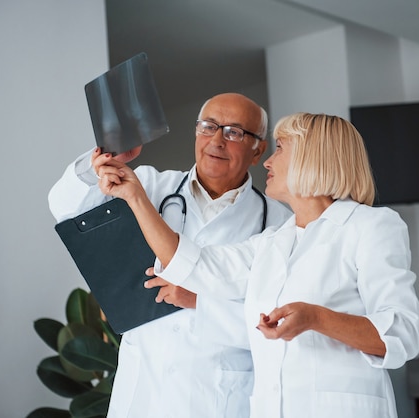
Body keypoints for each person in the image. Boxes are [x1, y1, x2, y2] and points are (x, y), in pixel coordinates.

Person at [98, 112, 419, 418]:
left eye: (281, 148)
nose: (268, 161)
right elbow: (194, 263)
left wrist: (316, 317)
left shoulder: (371, 226)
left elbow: (402, 333)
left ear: (314, 157)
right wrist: (135, 198)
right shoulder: (272, 242)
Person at [48, 92, 292, 418]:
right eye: (208, 127)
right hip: (143, 391)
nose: (216, 140)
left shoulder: (278, 221)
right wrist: (101, 162)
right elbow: (64, 206)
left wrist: (200, 302)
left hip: (218, 396)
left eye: (234, 132)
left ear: (257, 150)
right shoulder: (149, 185)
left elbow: (275, 326)